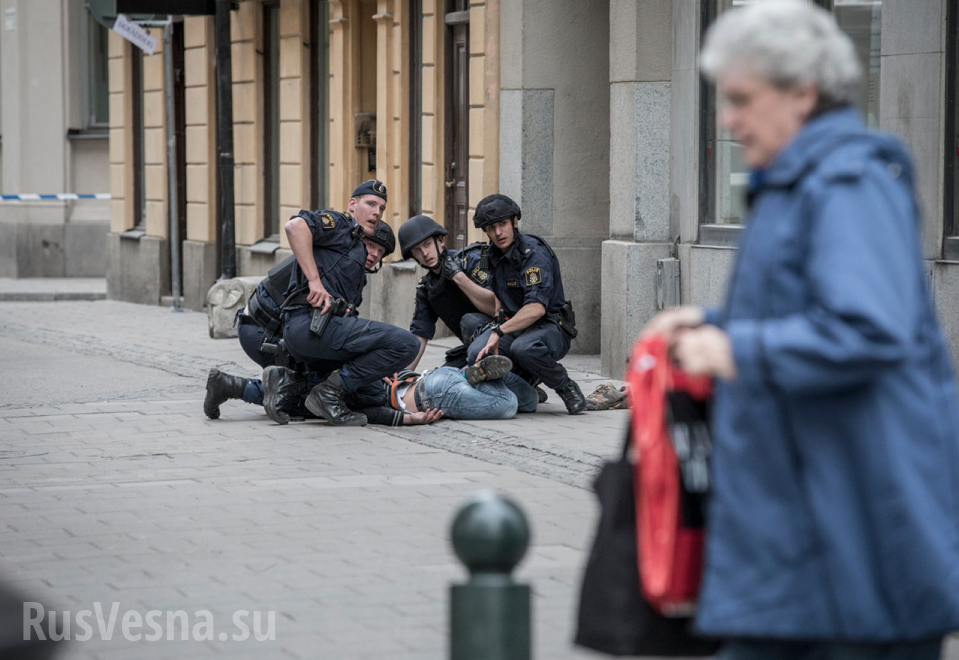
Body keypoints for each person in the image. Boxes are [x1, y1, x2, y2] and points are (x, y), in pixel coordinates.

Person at [643, 2, 959, 658]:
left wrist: (734, 347)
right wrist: (710, 319)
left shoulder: (847, 182)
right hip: (802, 535)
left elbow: (866, 328)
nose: (727, 121)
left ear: (802, 92)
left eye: (740, 99)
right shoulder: (797, 181)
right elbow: (807, 310)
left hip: (853, 540)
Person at [202, 226, 393, 420]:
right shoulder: (338, 263)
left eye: (381, 252)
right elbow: (336, 334)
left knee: (323, 386)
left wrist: (371, 362)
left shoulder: (343, 261)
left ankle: (227, 385)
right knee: (315, 396)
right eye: (370, 246)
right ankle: (231, 387)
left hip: (269, 329)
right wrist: (368, 364)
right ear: (358, 241)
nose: (374, 255)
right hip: (264, 333)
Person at [278, 180, 420, 427]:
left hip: (320, 333)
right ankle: (327, 395)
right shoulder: (341, 224)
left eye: (382, 208)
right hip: (306, 325)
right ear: (353, 205)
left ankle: (266, 385)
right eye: (371, 204)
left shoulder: (356, 249)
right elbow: (295, 226)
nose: (377, 212)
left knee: (370, 387)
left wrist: (378, 362)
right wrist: (314, 281)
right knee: (407, 344)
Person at [467, 194, 586, 415]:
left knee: (524, 348)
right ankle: (524, 385)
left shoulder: (534, 254)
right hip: (516, 326)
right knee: (477, 353)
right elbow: (499, 292)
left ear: (514, 221)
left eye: (502, 224)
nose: (498, 233)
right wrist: (497, 320)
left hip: (550, 326)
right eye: (491, 228)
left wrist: (499, 331)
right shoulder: (493, 254)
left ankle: (566, 386)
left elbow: (536, 308)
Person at [398, 214, 496, 370]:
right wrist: (401, 376)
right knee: (440, 379)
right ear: (413, 256)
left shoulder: (471, 260)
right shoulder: (427, 288)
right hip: (473, 350)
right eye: (417, 250)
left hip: (501, 339)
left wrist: (459, 277)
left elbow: (496, 309)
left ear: (441, 241)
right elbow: (420, 335)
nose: (424, 253)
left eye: (427, 244)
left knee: (470, 321)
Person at [356, 355, 540, 426]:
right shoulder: (349, 365)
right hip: (437, 375)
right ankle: (484, 376)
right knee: (531, 402)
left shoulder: (338, 391)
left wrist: (409, 419)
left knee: (508, 405)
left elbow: (372, 413)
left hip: (433, 394)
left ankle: (483, 376)